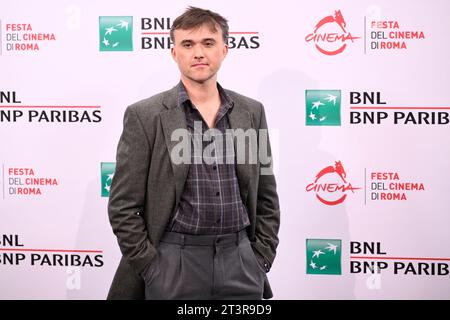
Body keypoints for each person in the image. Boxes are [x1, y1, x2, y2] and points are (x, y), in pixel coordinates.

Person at [107, 6, 280, 300]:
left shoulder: (252, 112)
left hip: (241, 262)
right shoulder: (145, 116)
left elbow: (266, 193)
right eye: (188, 44)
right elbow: (122, 205)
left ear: (224, 49)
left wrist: (259, 257)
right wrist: (150, 266)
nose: (198, 53)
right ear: (175, 53)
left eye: (208, 43)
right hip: (173, 261)